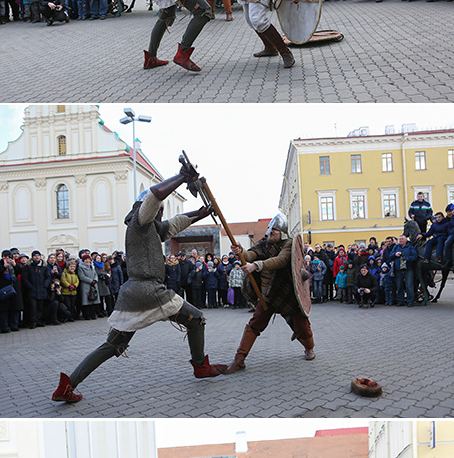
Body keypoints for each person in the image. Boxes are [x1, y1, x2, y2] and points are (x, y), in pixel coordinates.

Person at [51, 159, 227, 402]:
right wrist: (181, 177)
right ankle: (200, 366)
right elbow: (154, 196)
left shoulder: (151, 228)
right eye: (159, 209)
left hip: (132, 294)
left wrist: (200, 214)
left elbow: (174, 224)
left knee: (113, 345)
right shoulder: (140, 222)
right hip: (151, 291)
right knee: (196, 318)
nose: (161, 213)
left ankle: (67, 385)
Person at [226, 211, 315, 373]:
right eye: (271, 228)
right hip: (268, 295)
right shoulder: (264, 243)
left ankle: (309, 348)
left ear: (282, 232)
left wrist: (257, 266)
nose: (272, 231)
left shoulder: (289, 244)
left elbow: (280, 260)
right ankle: (239, 359)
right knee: (254, 325)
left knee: (302, 327)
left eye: (275, 229)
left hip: (288, 295)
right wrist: (241, 252)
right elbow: (251, 254)